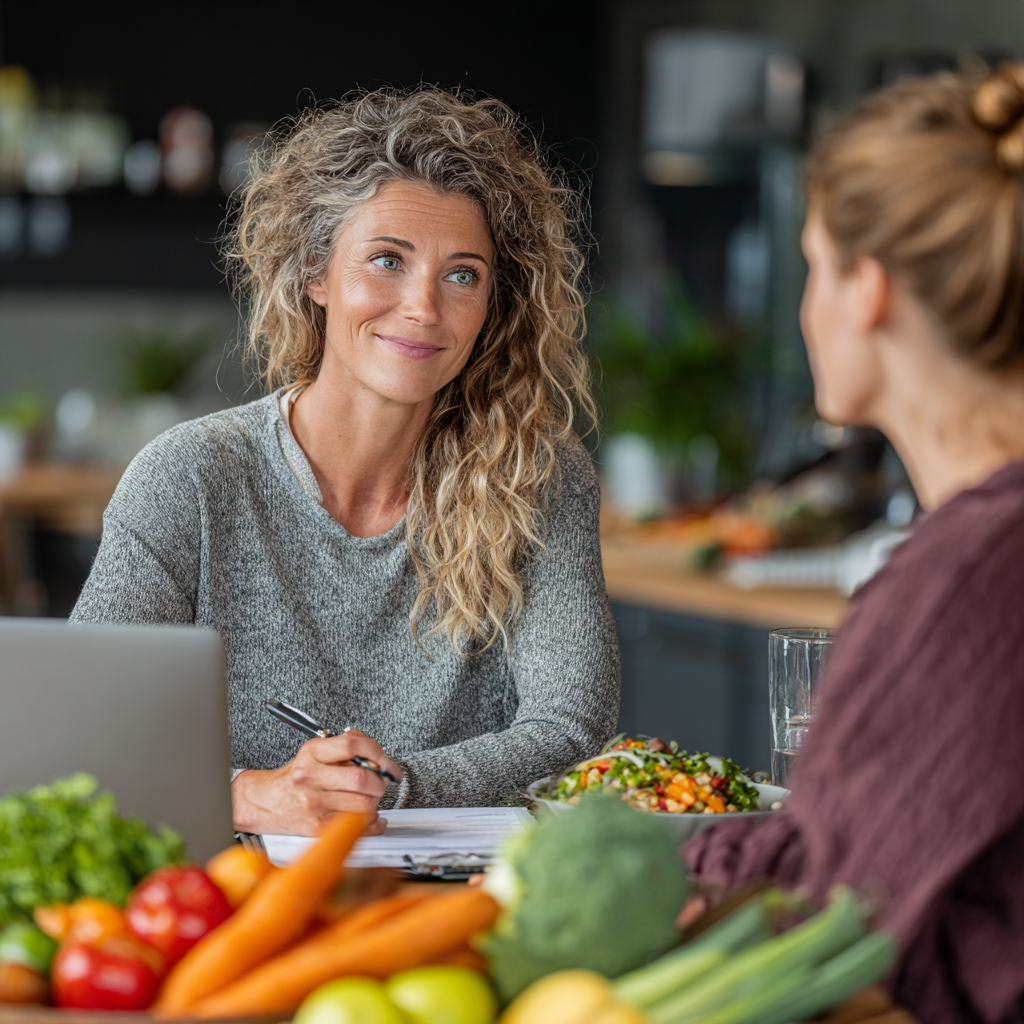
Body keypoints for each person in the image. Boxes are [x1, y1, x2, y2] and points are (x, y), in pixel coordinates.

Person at [71, 89, 620, 838]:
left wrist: (389, 787)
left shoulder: (540, 475)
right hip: (226, 903)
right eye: (387, 261)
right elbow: (86, 737)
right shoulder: (190, 477)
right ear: (314, 274)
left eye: (462, 275)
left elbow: (571, 734)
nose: (424, 306)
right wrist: (245, 793)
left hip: (459, 902)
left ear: (493, 302)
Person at [685, 65, 1024, 1023]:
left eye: (813, 267)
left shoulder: (970, 574)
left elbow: (826, 906)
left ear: (866, 290)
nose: (808, 310)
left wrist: (660, 854)